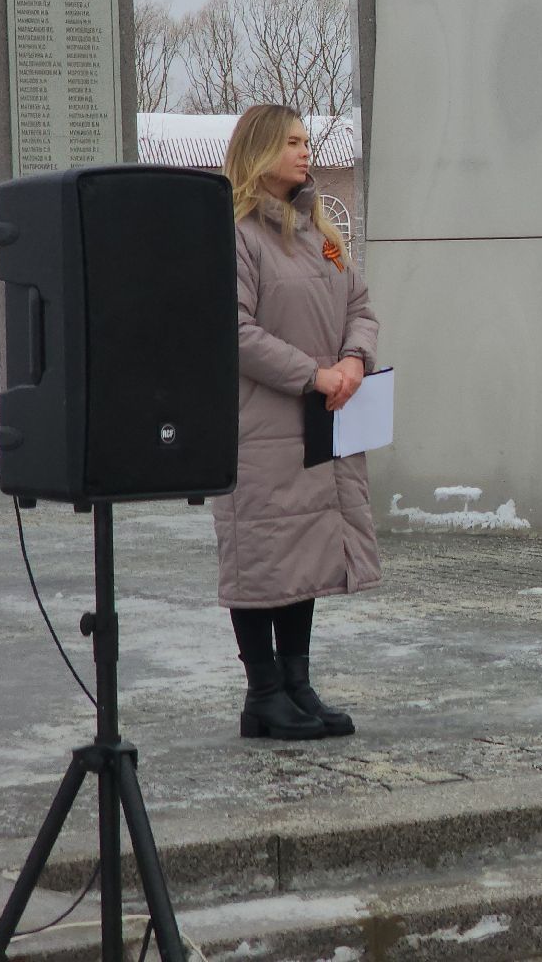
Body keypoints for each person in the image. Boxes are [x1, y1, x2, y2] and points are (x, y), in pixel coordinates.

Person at [213, 105, 380, 739]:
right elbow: (232, 330)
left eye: (307, 141)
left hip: (321, 420)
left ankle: (297, 685)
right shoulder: (237, 234)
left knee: (303, 550)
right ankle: (263, 693)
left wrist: (355, 359)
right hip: (260, 426)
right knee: (261, 555)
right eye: (290, 142)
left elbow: (360, 304)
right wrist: (313, 374)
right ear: (259, 151)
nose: (305, 152)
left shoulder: (321, 231)